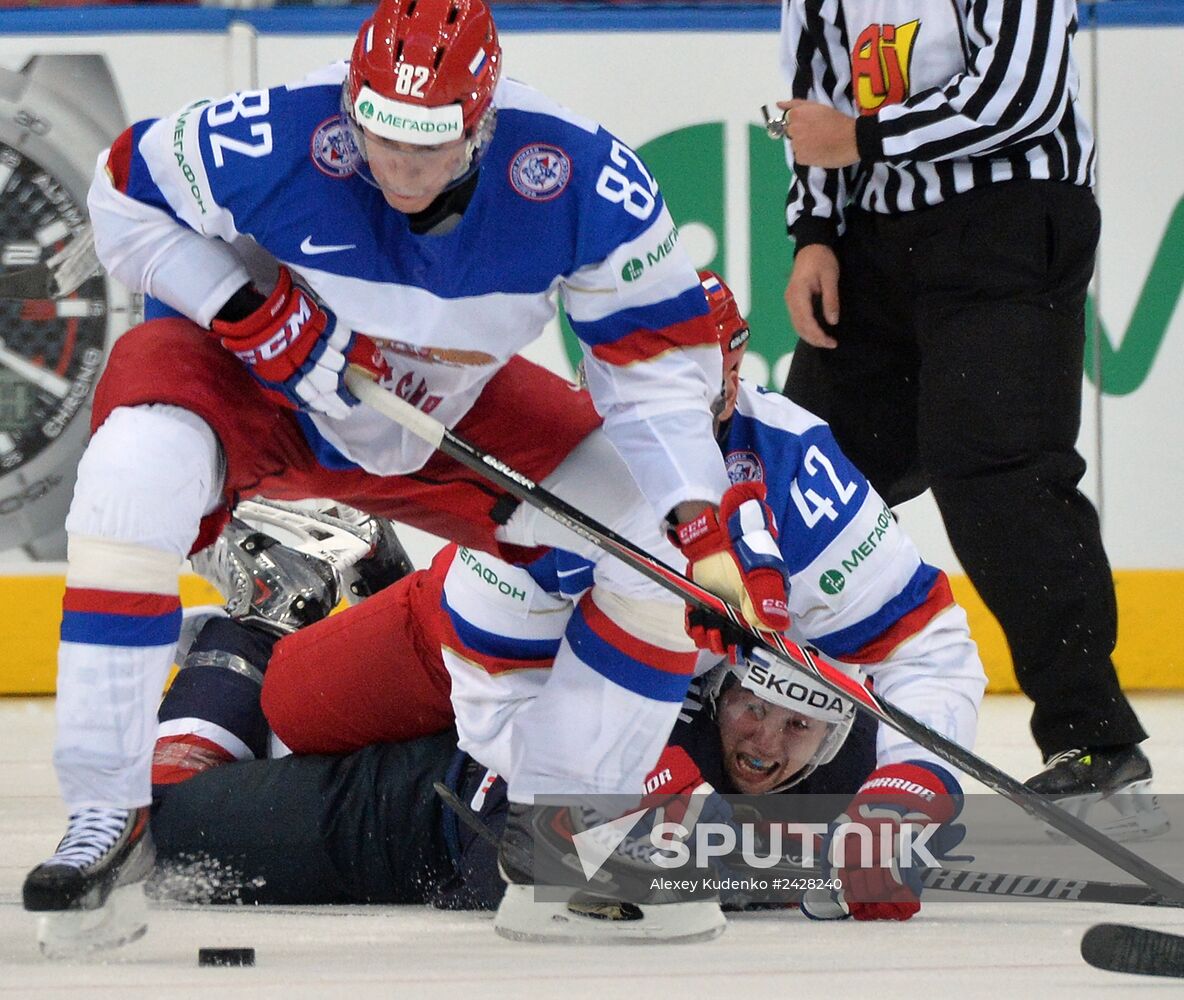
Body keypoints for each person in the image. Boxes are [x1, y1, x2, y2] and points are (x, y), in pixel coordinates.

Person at [23, 0, 794, 953]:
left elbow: (655, 366)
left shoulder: (581, 176)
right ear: (351, 101)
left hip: (439, 410)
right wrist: (241, 306)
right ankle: (105, 814)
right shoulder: (281, 132)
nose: (402, 169)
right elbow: (121, 190)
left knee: (645, 547)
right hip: (257, 379)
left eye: (431, 147)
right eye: (381, 136)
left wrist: (699, 527)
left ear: (486, 118)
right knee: (127, 479)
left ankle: (562, 832)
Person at [178, 271, 985, 922]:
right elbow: (497, 700)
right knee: (293, 705)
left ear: (735, 376)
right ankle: (277, 616)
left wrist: (904, 800)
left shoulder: (802, 477)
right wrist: (631, 789)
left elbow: (929, 651)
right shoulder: (545, 472)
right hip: (454, 640)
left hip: (655, 684)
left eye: (697, 390)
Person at [772, 0, 1163, 837]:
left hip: (1010, 223)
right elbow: (813, 104)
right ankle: (760, 729)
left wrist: (864, 142)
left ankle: (1095, 746)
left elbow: (1022, 96)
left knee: (997, 471)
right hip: (877, 239)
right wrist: (814, 233)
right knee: (803, 479)